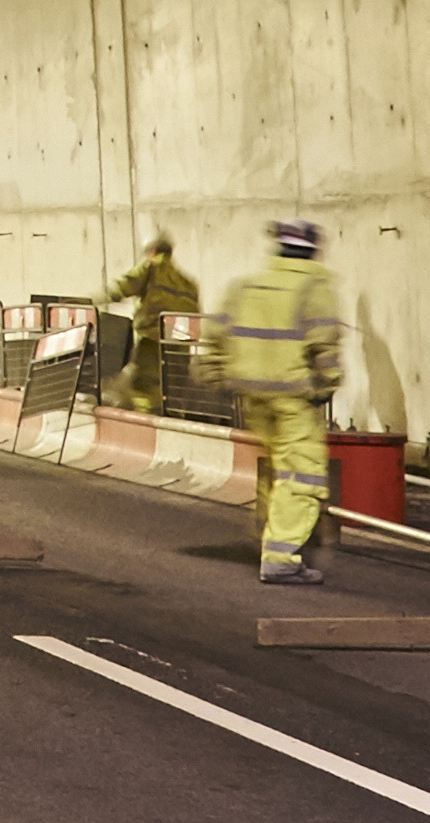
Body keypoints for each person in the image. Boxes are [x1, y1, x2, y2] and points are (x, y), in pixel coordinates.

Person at [215, 217, 349, 584]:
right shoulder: (313, 287)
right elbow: (325, 347)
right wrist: (326, 386)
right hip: (294, 398)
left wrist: (216, 375)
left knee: (279, 466)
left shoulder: (245, 286)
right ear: (313, 249)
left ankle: (271, 533)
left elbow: (216, 336)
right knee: (302, 476)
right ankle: (281, 557)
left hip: (253, 398)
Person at [100, 232, 200, 413]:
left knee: (144, 389)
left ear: (152, 251)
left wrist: (90, 300)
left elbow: (122, 287)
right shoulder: (189, 283)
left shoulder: (151, 269)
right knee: (171, 393)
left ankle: (146, 427)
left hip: (152, 344)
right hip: (179, 348)